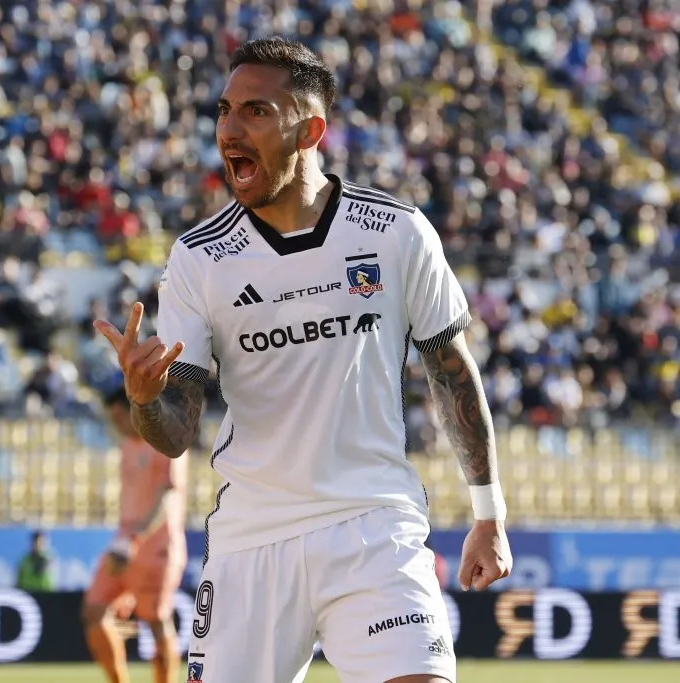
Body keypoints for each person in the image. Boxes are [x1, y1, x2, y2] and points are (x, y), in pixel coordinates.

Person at [94, 37, 513, 683]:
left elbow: (451, 371)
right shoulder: (199, 258)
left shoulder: (395, 231)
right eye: (225, 110)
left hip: (375, 527)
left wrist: (489, 513)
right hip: (252, 541)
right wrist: (146, 398)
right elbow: (175, 435)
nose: (230, 128)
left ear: (310, 129)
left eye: (255, 111)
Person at [83, 388, 188, 683]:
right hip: (123, 542)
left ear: (133, 409)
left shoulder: (166, 441)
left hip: (157, 547)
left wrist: (134, 538)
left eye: (117, 415)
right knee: (94, 610)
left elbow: (167, 497)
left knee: (156, 620)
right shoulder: (128, 445)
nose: (115, 423)